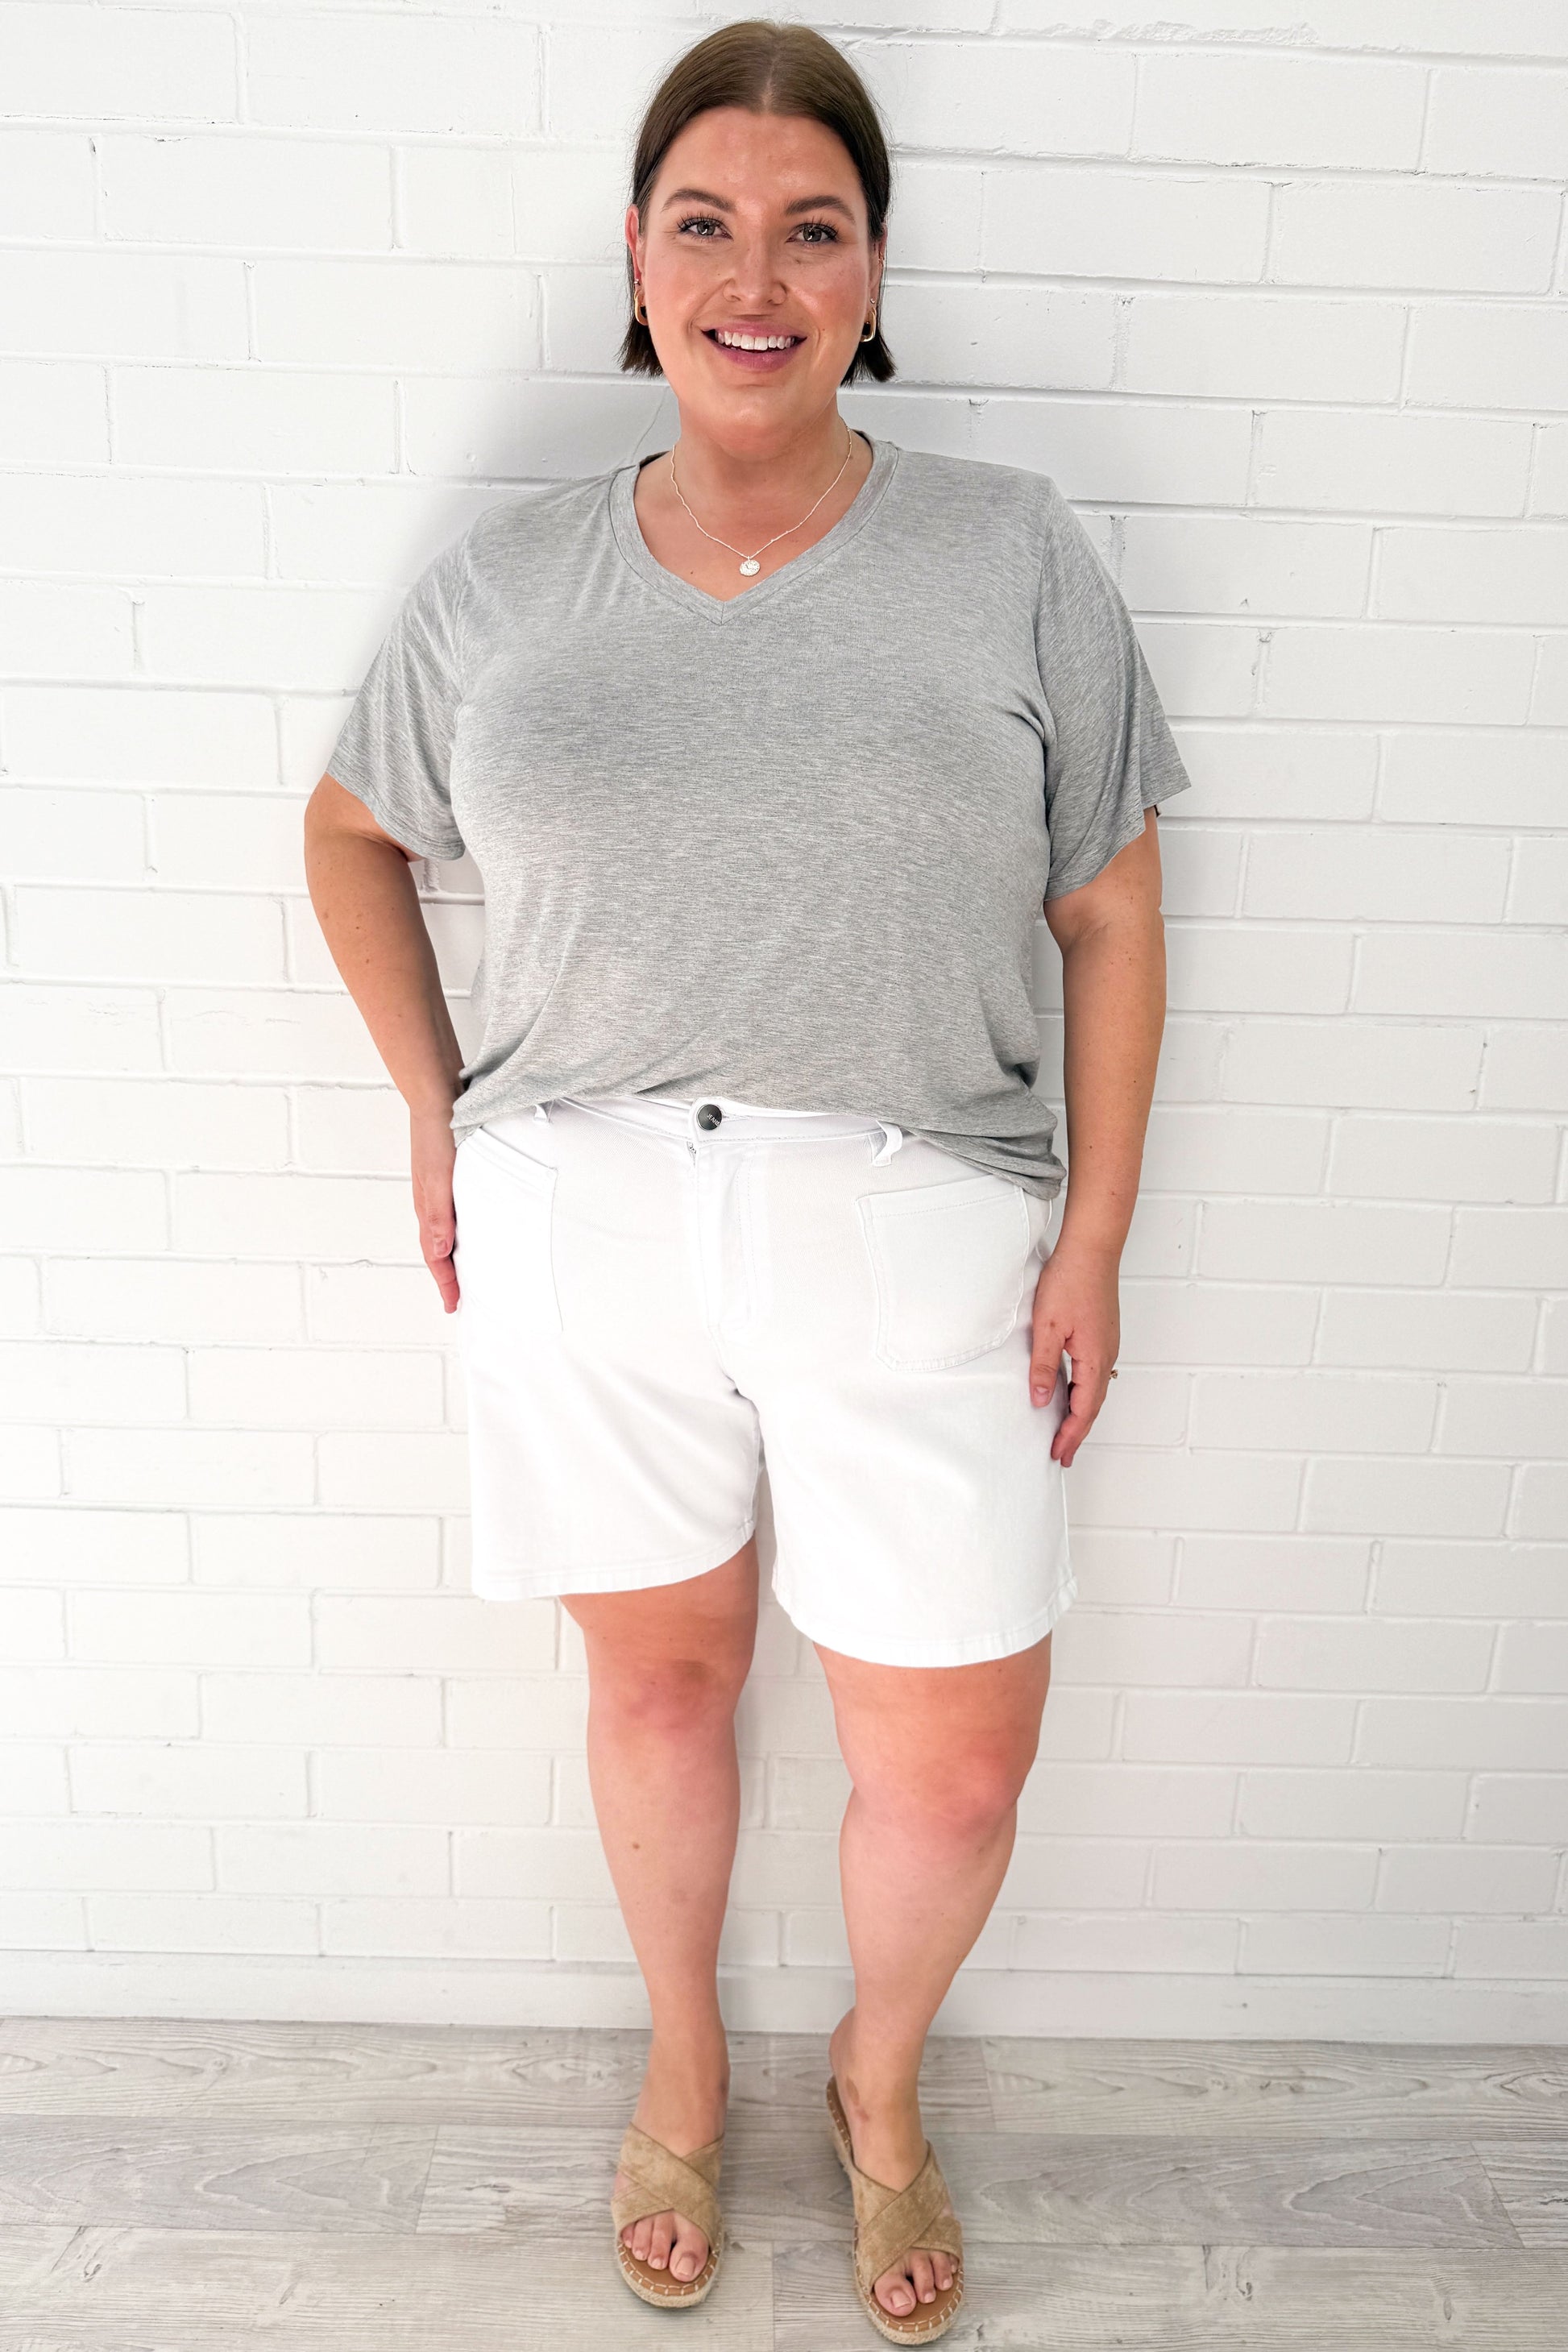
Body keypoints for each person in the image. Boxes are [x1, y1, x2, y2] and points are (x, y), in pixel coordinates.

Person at [304, 18, 1190, 2342]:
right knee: (661, 1686)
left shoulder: (1008, 551)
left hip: (924, 1221)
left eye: (812, 228)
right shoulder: (509, 580)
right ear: (635, 257)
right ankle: (682, 2065)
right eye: (703, 224)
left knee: (955, 1759)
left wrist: (1096, 1230)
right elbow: (349, 830)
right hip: (584, 1215)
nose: (754, 276)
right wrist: (434, 1105)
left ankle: (875, 2080)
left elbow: (1108, 908)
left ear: (873, 268)